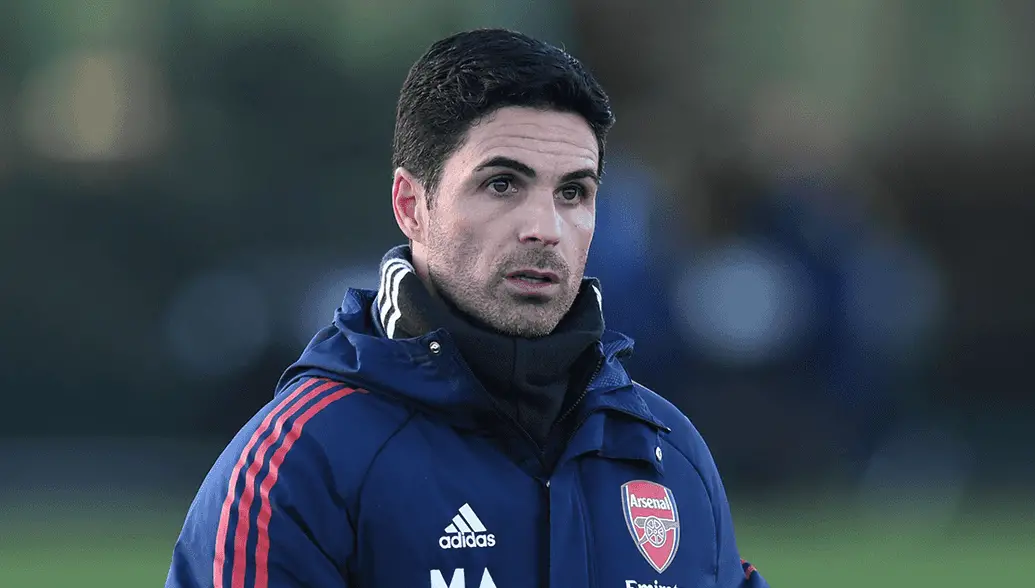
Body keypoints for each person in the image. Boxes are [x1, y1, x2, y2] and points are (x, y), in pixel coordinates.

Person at [166, 28, 768, 588]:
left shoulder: (669, 454)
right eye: (502, 184)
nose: (545, 228)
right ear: (411, 205)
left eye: (573, 192)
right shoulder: (301, 461)